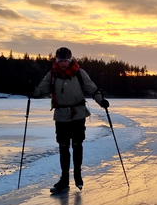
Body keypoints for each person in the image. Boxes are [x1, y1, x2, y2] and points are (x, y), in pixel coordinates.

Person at [33, 47, 109, 193]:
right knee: (63, 147)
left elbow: (92, 89)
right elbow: (40, 91)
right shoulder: (52, 75)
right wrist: (32, 89)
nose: (63, 64)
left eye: (65, 61)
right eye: (60, 61)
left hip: (78, 115)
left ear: (70, 60)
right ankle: (64, 180)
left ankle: (78, 175)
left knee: (77, 145)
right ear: (56, 60)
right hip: (61, 115)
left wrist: (101, 101)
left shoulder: (79, 73)